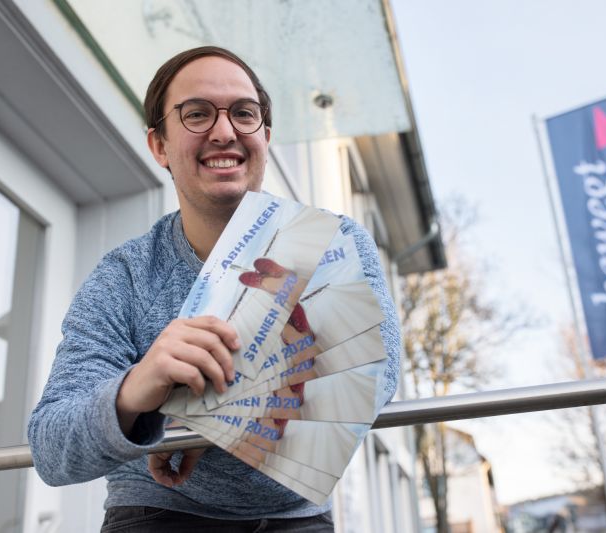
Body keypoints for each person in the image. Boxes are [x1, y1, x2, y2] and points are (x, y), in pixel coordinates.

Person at [27, 45, 401, 531]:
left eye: (244, 114)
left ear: (265, 136)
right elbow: (52, 449)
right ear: (159, 145)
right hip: (160, 513)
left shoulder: (334, 239)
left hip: (298, 516)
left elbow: (376, 371)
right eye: (197, 114)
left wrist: (216, 420)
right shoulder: (125, 276)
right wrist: (136, 389)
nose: (224, 131)